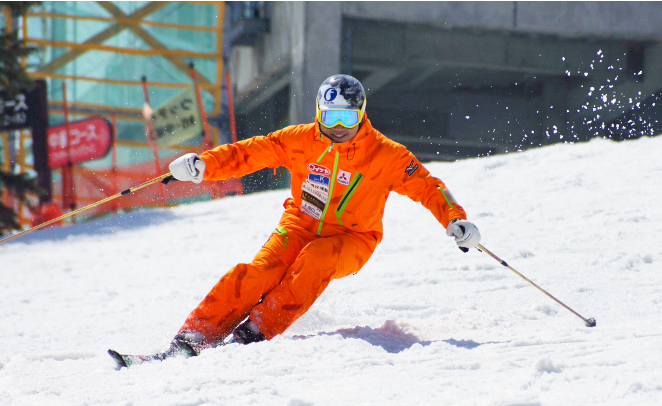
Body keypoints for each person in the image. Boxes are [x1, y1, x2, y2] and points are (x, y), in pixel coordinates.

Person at [161, 74, 481, 356]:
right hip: (300, 222)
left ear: (361, 114)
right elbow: (251, 152)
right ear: (318, 114)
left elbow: (428, 187)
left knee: (315, 259)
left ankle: (256, 330)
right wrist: (203, 165)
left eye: (347, 118)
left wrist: (455, 219)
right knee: (261, 272)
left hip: (353, 238)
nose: (339, 128)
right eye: (330, 118)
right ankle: (197, 333)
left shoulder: (385, 155)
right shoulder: (300, 140)